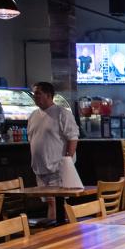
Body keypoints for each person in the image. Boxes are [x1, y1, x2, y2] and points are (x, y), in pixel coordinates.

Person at [27, 82, 79, 219]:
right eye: (34, 93)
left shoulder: (62, 113)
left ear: (49, 95)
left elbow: (73, 137)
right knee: (50, 203)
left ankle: (61, 235)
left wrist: (67, 160)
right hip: (40, 168)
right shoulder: (33, 115)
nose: (34, 96)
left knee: (57, 202)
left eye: (38, 93)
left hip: (57, 168)